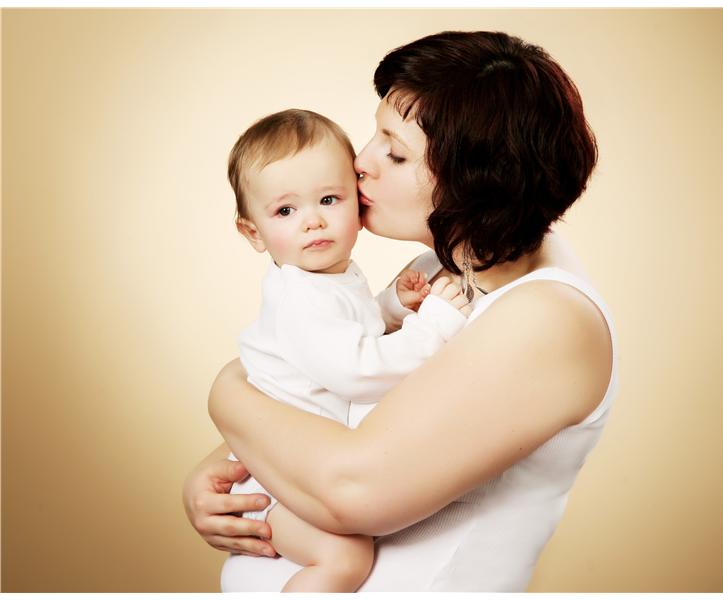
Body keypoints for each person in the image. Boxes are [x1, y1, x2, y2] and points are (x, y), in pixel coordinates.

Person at [183, 30, 618, 592]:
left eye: (394, 152)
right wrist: (223, 466)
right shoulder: (442, 270)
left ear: (474, 182)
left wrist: (227, 391)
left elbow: (352, 490)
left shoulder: (547, 316)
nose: (359, 162)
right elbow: (323, 400)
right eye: (374, 135)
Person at [223, 108, 472, 591]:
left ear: (356, 203)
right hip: (273, 481)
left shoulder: (325, 276)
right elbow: (356, 371)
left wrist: (392, 307)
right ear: (253, 232)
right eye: (285, 211)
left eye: (329, 199)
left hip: (299, 464)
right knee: (344, 557)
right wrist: (433, 327)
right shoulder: (298, 296)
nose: (313, 221)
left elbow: (349, 331)